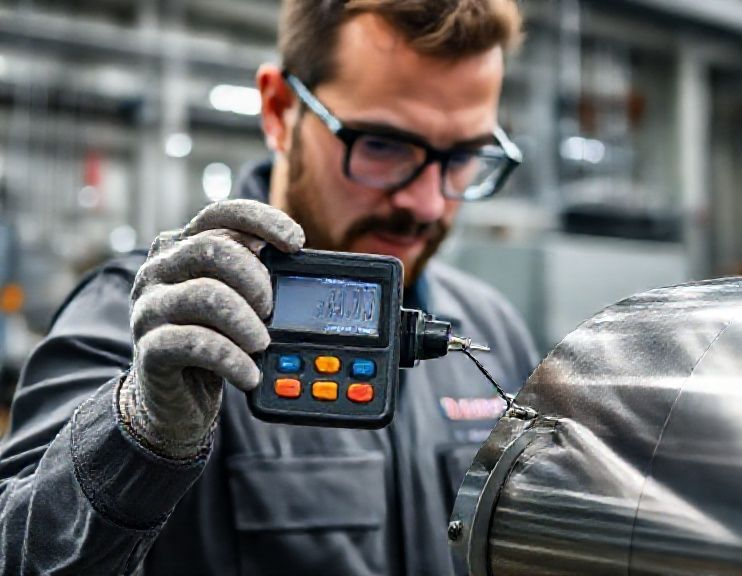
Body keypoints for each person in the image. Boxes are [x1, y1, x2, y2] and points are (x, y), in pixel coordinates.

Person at [0, 1, 538, 574]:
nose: (426, 203)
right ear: (280, 109)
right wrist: (135, 436)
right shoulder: (145, 323)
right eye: (381, 145)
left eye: (462, 157)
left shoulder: (491, 333)